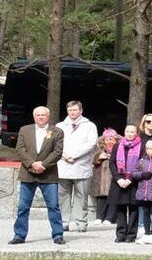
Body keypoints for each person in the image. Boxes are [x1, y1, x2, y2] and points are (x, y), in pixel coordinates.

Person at [9, 105, 65, 245]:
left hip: (49, 175)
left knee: (53, 206)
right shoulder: (25, 130)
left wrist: (43, 165)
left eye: (43, 115)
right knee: (23, 207)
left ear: (48, 116)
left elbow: (57, 152)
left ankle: (58, 235)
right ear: (34, 116)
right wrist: (32, 164)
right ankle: (19, 235)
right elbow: (20, 149)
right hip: (28, 174)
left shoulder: (57, 131)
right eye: (38, 115)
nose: (41, 117)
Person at [55, 101, 97, 234]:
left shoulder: (89, 126)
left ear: (81, 110)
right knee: (63, 196)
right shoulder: (60, 126)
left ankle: (81, 222)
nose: (72, 112)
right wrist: (65, 156)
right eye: (70, 110)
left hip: (81, 165)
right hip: (64, 165)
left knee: (82, 196)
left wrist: (74, 155)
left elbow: (91, 144)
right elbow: (55, 144)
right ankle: (63, 221)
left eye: (75, 110)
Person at [131, 137, 152, 244]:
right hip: (142, 193)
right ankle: (146, 233)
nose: (149, 151)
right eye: (147, 149)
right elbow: (134, 173)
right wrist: (141, 175)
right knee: (145, 212)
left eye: (151, 149)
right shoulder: (141, 161)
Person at [90, 128, 120, 228]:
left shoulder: (119, 148)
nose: (109, 141)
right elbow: (92, 159)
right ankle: (99, 217)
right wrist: (99, 157)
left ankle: (110, 218)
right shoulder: (99, 149)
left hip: (114, 177)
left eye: (112, 139)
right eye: (107, 139)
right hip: (100, 179)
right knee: (101, 198)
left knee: (113, 197)